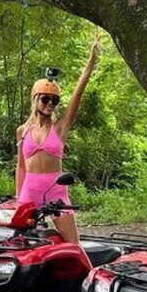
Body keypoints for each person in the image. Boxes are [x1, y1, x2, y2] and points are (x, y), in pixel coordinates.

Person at [15, 32, 101, 244]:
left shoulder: (60, 127)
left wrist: (91, 62)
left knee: (73, 245)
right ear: (35, 99)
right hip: (29, 192)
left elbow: (77, 96)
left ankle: (88, 276)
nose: (49, 104)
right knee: (21, 244)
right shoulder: (22, 131)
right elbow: (21, 167)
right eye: (45, 99)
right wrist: (18, 200)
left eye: (54, 101)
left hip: (55, 190)